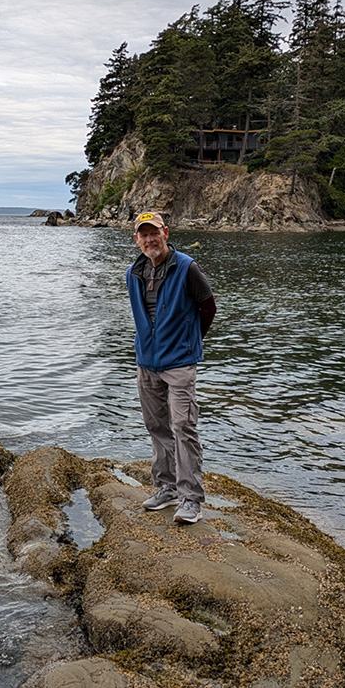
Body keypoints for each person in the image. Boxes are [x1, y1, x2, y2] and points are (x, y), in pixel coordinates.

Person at [127, 211, 216, 524]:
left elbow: (208, 307)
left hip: (179, 363)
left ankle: (191, 498)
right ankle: (165, 488)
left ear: (166, 232)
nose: (150, 239)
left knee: (183, 427)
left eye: (155, 233)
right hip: (147, 363)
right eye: (144, 234)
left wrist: (189, 342)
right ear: (136, 238)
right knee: (157, 427)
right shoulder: (133, 272)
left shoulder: (187, 267)